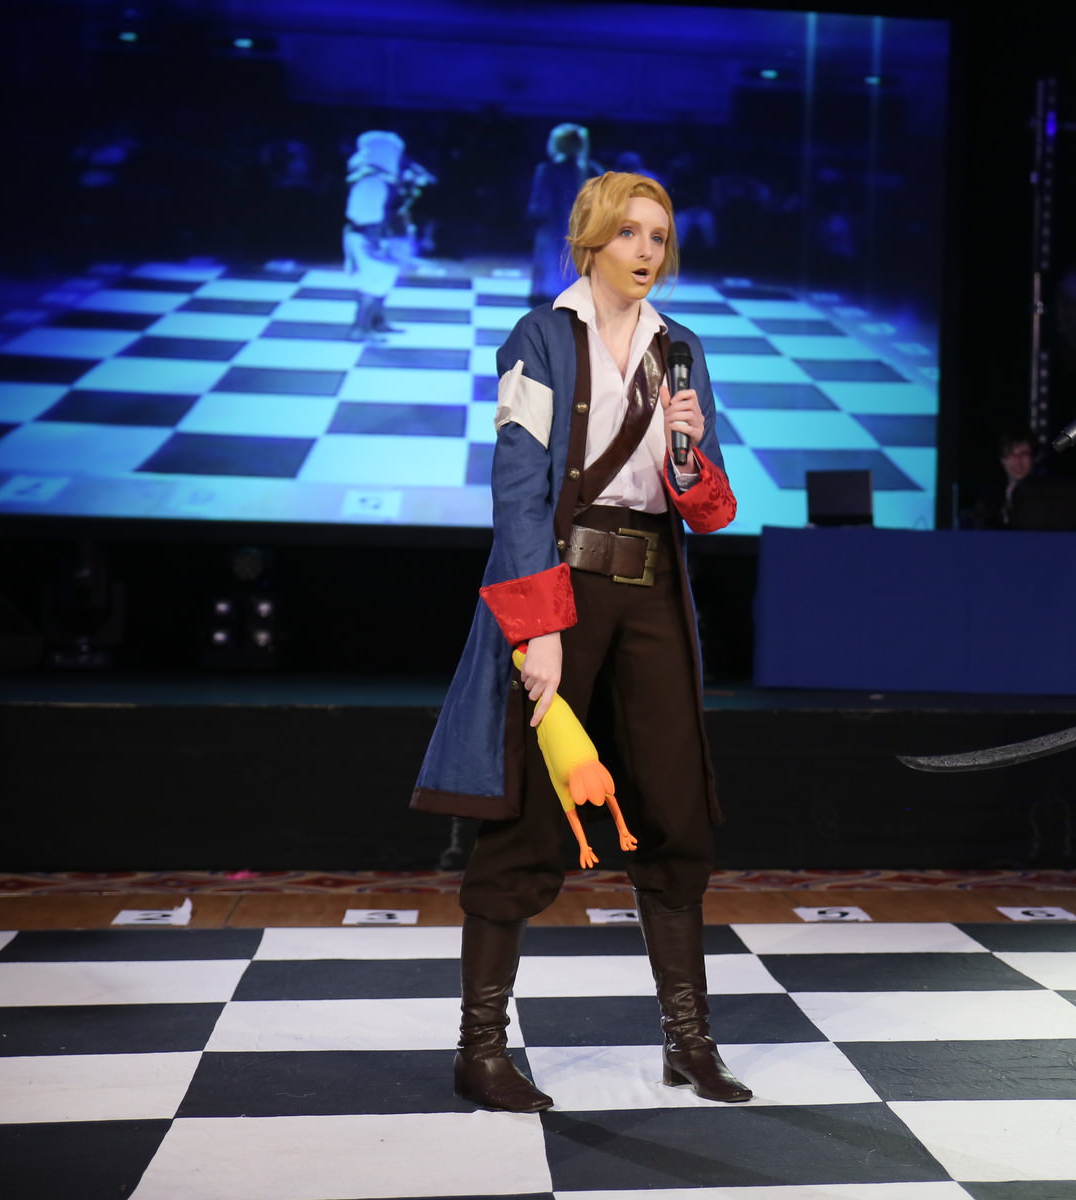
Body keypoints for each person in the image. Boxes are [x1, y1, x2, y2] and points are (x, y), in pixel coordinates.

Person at [411, 171, 746, 1112]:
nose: (647, 251)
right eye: (630, 233)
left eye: (659, 236)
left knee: (674, 814)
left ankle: (689, 1042)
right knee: (525, 818)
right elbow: (518, 491)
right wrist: (541, 629)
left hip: (653, 594)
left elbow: (710, 509)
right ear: (592, 240)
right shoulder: (540, 337)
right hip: (560, 588)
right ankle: (481, 1050)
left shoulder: (681, 348)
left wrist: (689, 452)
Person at [528, 123, 605, 305]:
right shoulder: (593, 170)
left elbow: (540, 205)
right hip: (585, 230)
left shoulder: (548, 170)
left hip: (555, 230)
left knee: (554, 267)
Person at [342, 130, 408, 340]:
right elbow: (366, 217)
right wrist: (377, 244)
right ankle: (361, 328)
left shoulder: (377, 178)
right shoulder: (371, 181)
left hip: (374, 237)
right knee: (372, 283)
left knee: (382, 281)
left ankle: (377, 322)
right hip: (368, 239)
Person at [969, 429, 1076, 531]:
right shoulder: (989, 499)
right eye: (1011, 454)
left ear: (1035, 458)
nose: (1018, 461)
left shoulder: (1054, 495)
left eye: (1024, 454)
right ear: (1002, 459)